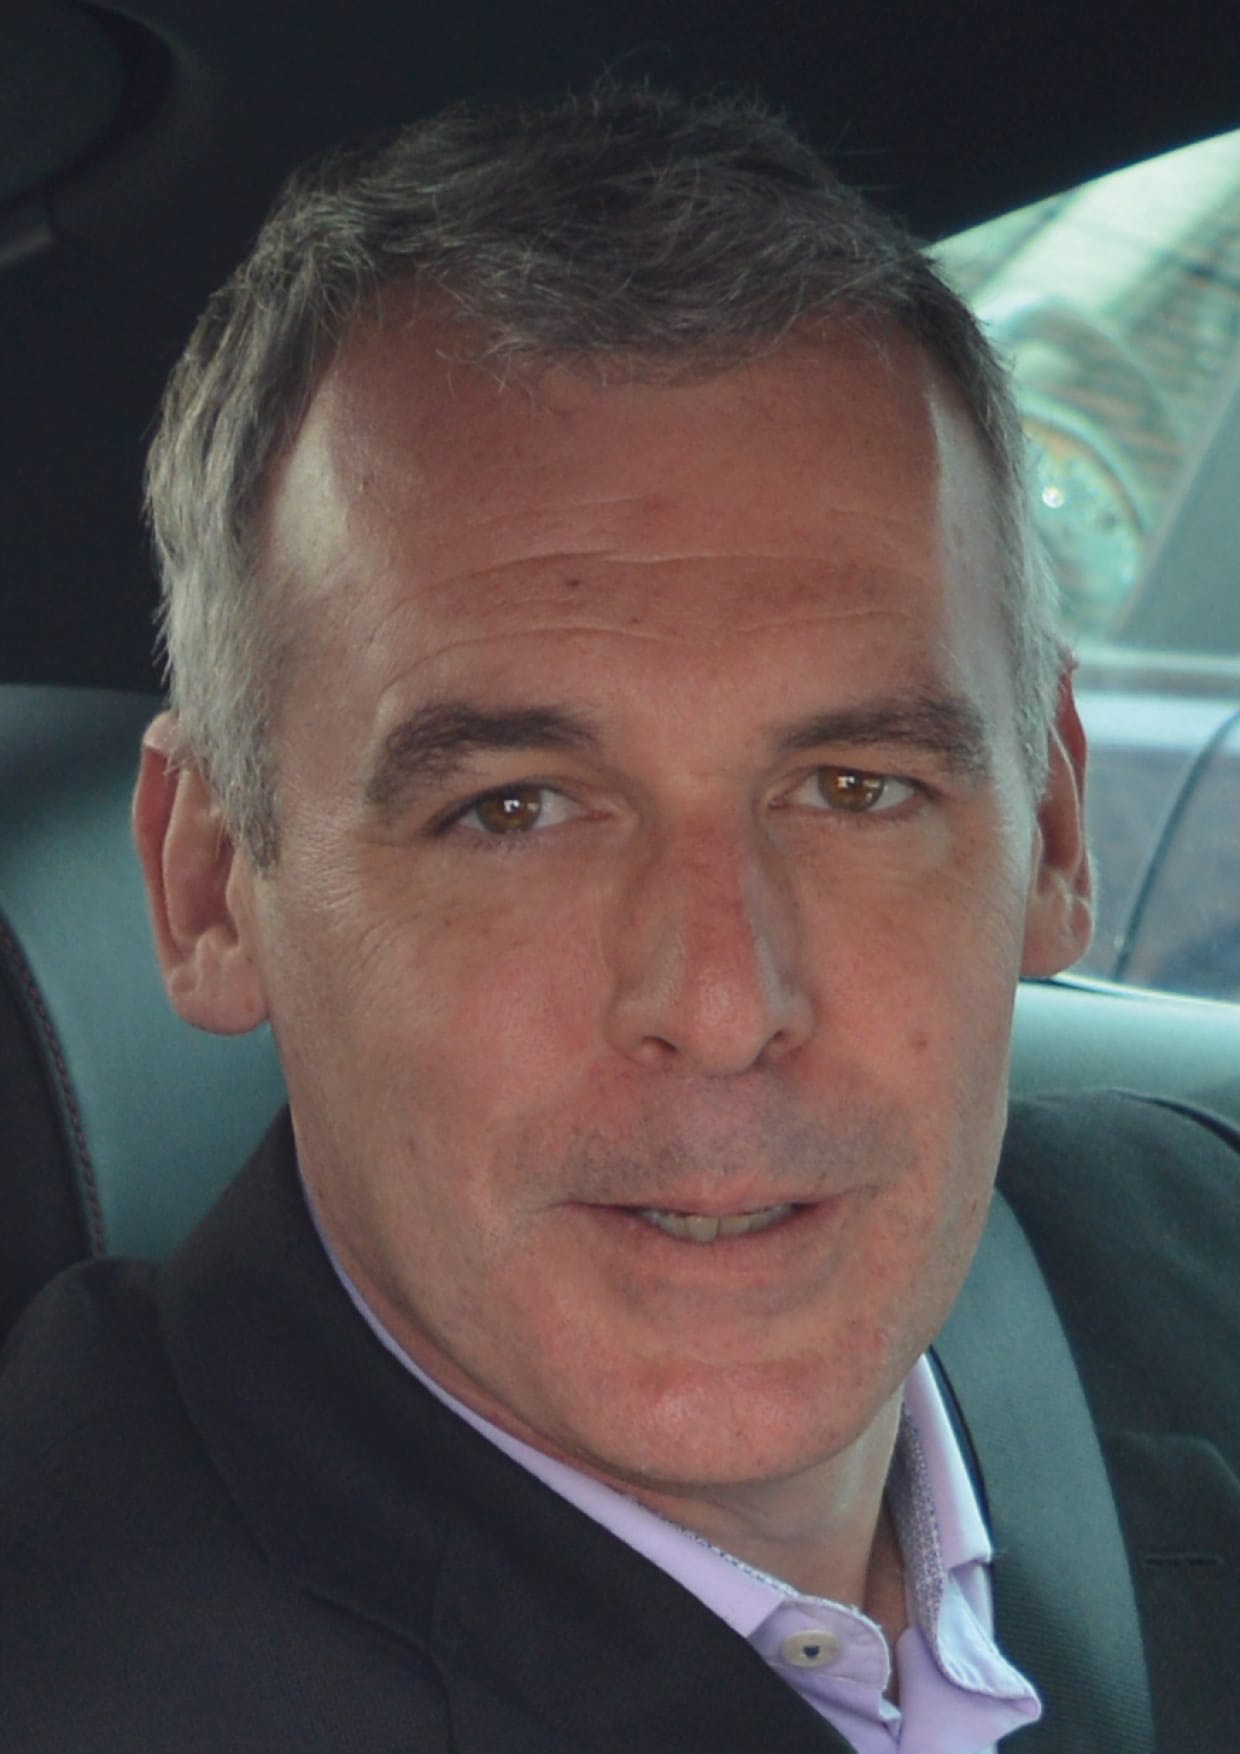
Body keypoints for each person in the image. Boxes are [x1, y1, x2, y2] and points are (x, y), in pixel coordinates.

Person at [2, 85, 1236, 1754]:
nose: (723, 1001)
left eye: (855, 787)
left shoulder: (1194, 1253)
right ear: (212, 882)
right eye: (513, 810)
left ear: (1055, 830)